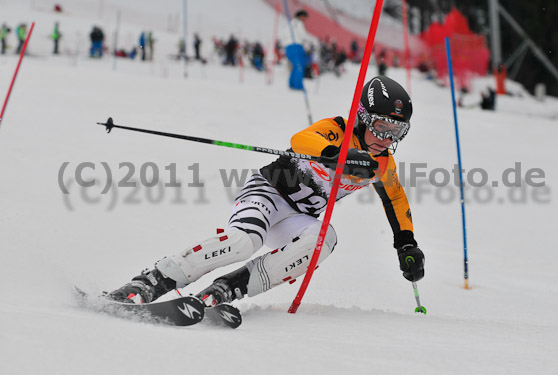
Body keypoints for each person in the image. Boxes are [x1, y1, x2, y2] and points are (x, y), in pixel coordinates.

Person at [107, 76, 425, 307]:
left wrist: (406, 244)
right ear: (362, 117)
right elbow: (302, 139)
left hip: (298, 218)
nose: (386, 138)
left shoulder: (383, 164)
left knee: (324, 240)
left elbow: (396, 198)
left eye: (396, 131)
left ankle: (232, 286)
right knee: (244, 241)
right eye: (382, 126)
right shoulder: (338, 129)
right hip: (267, 194)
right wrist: (336, 154)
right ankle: (153, 280)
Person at [280, 9, 317, 90]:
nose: (305, 20)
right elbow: (303, 35)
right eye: (305, 17)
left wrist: (286, 43)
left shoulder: (290, 24)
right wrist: (311, 41)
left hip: (288, 47)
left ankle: (292, 84)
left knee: (296, 66)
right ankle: (298, 86)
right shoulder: (299, 23)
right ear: (301, 16)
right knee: (300, 66)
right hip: (296, 46)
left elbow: (282, 36)